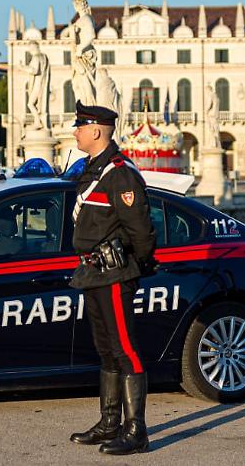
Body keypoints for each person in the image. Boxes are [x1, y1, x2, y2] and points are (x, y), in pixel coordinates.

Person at [67, 101, 156, 456]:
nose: (75, 132)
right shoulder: (92, 170)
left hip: (114, 273)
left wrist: (137, 266)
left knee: (125, 350)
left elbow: (141, 230)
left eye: (79, 126)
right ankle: (109, 422)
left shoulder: (120, 174)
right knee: (106, 349)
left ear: (96, 130)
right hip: (92, 272)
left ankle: (137, 431)